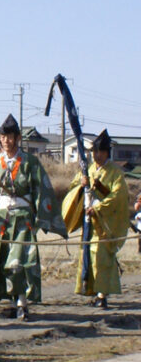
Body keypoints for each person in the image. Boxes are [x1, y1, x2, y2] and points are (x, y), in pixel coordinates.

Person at [0, 114, 66, 321]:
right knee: (2, 259)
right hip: (2, 217)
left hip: (23, 218)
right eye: (3, 137)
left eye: (11, 136)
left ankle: (22, 303)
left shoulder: (30, 162)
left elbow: (43, 190)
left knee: (19, 261)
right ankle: (13, 303)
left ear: (18, 138)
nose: (7, 141)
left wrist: (42, 217)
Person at [63, 129, 130, 308]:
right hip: (88, 221)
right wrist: (81, 185)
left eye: (100, 152)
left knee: (101, 257)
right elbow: (73, 188)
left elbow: (118, 197)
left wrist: (98, 207)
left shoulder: (116, 172)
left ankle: (102, 293)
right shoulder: (89, 170)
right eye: (94, 152)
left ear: (107, 152)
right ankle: (90, 288)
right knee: (87, 255)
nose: (97, 155)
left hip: (105, 223)